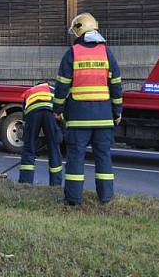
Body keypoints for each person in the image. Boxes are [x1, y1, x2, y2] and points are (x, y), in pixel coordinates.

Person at [53, 13, 123, 206]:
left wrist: (57, 109)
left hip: (78, 119)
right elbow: (116, 84)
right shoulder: (107, 53)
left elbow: (62, 86)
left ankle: (73, 199)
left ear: (78, 30)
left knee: (76, 157)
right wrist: (117, 111)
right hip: (104, 118)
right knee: (104, 157)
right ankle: (106, 197)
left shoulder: (72, 53)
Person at [18, 82, 63, 186]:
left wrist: (33, 141)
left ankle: (25, 182)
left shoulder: (30, 91)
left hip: (33, 112)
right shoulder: (53, 89)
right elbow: (60, 113)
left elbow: (25, 118)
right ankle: (56, 184)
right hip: (51, 112)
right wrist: (56, 135)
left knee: (29, 148)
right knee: (54, 149)